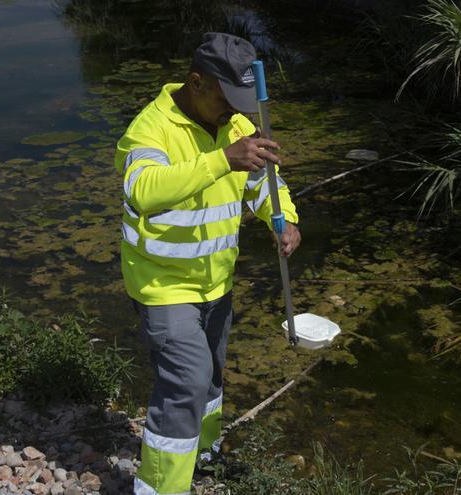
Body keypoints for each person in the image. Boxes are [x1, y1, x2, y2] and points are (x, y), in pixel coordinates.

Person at [114, 32, 301, 495]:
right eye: (226, 98)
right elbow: (143, 191)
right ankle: (159, 488)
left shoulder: (234, 126)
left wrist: (284, 221)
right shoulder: (150, 129)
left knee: (213, 376)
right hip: (163, 286)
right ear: (196, 83)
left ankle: (205, 453)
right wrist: (222, 160)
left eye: (242, 100)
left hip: (216, 281)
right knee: (186, 384)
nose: (236, 112)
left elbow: (263, 184)